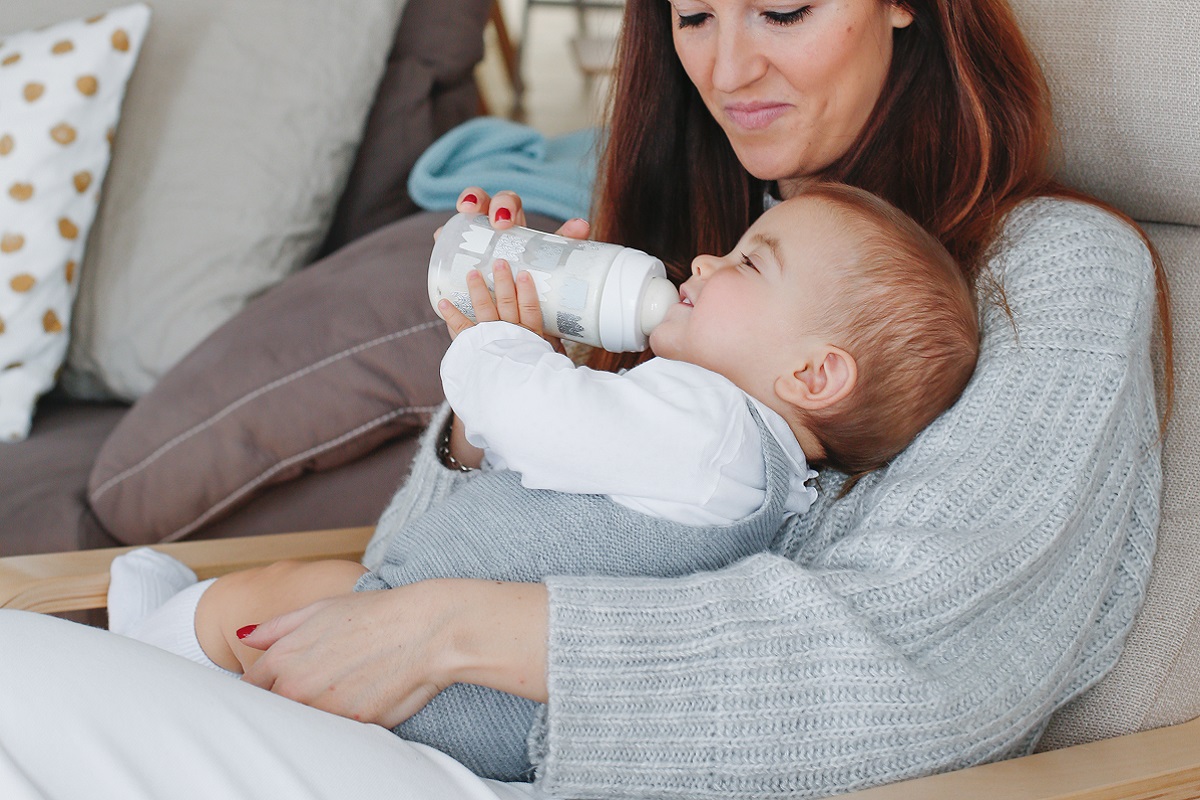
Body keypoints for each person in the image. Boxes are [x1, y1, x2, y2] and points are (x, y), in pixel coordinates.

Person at [0, 0, 1173, 797]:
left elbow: (922, 661)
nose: (727, 68)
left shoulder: (1054, 272)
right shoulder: (702, 270)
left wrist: (451, 627)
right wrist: (510, 384)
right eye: (694, 14)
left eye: (783, 10)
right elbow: (412, 555)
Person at [104, 184, 978, 781]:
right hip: (484, 700)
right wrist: (537, 357)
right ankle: (158, 647)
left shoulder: (709, 427)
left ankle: (140, 654)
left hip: (452, 694)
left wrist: (493, 346)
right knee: (298, 605)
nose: (706, 262)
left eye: (750, 265)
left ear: (814, 377)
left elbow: (536, 416)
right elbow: (547, 454)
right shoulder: (741, 461)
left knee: (275, 600)